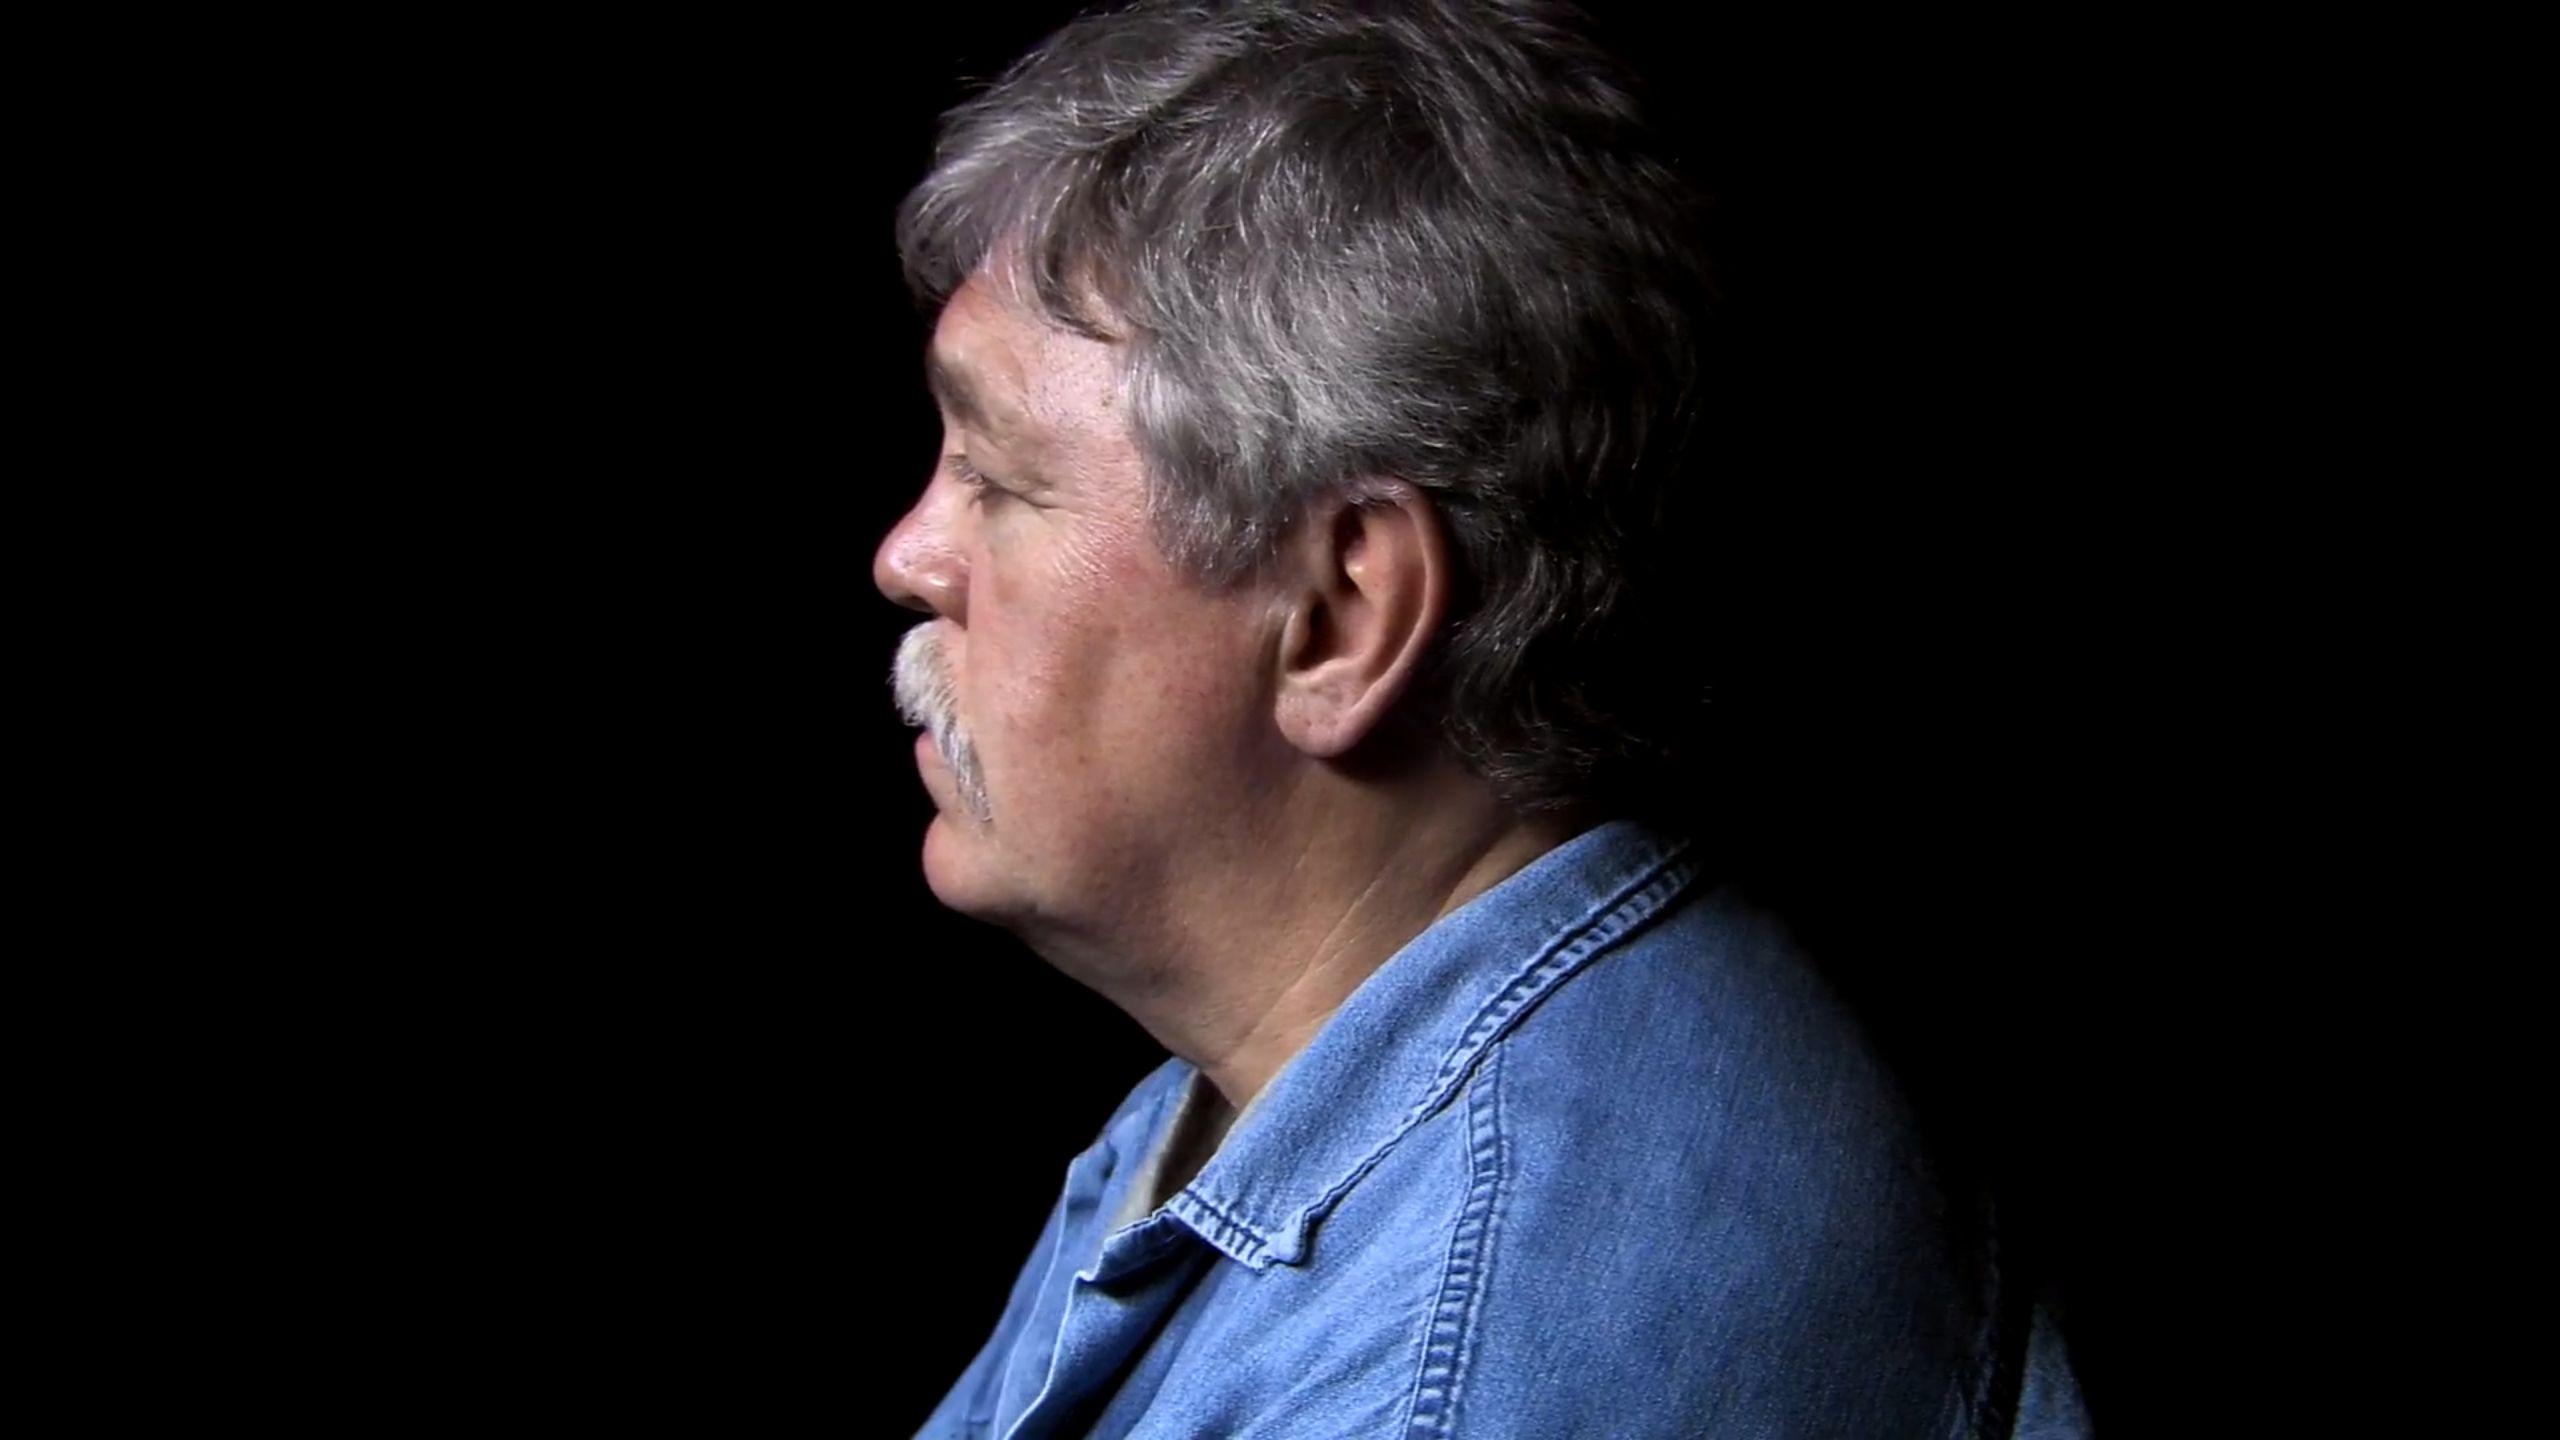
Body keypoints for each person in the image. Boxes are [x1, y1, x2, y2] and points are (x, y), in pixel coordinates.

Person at [874, 2, 2088, 1434]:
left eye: (1000, 481)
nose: (908, 556)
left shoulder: (1461, 1369)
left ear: (1339, 615)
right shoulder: (1335, 1077)